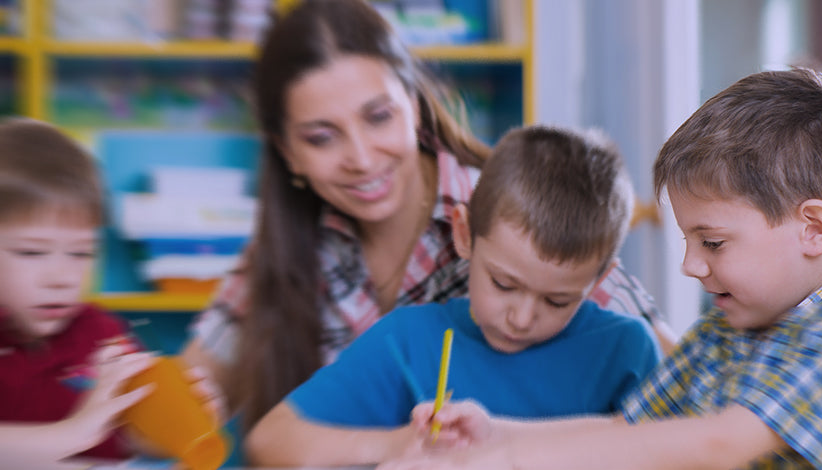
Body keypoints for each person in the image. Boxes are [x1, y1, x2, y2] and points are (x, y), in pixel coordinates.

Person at [378, 67, 822, 470]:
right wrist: (495, 437)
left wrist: (504, 461)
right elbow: (631, 430)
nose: (692, 265)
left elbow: (719, 445)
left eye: (712, 242)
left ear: (813, 228)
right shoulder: (734, 322)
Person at [180, 0, 675, 435]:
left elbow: (686, 389)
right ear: (288, 153)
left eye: (378, 117)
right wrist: (167, 406)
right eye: (321, 137)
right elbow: (192, 401)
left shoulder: (510, 214)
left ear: (414, 107)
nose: (361, 157)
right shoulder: (285, 251)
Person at [244, 125, 661, 467]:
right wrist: (392, 446)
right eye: (503, 283)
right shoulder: (409, 339)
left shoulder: (627, 352)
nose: (521, 317)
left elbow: (677, 452)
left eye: (557, 301)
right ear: (463, 234)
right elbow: (271, 440)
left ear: (601, 277)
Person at [0, 119, 158, 462]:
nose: (62, 278)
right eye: (32, 252)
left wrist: (184, 417)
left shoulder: (104, 335)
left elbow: (140, 437)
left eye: (81, 253)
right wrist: (71, 433)